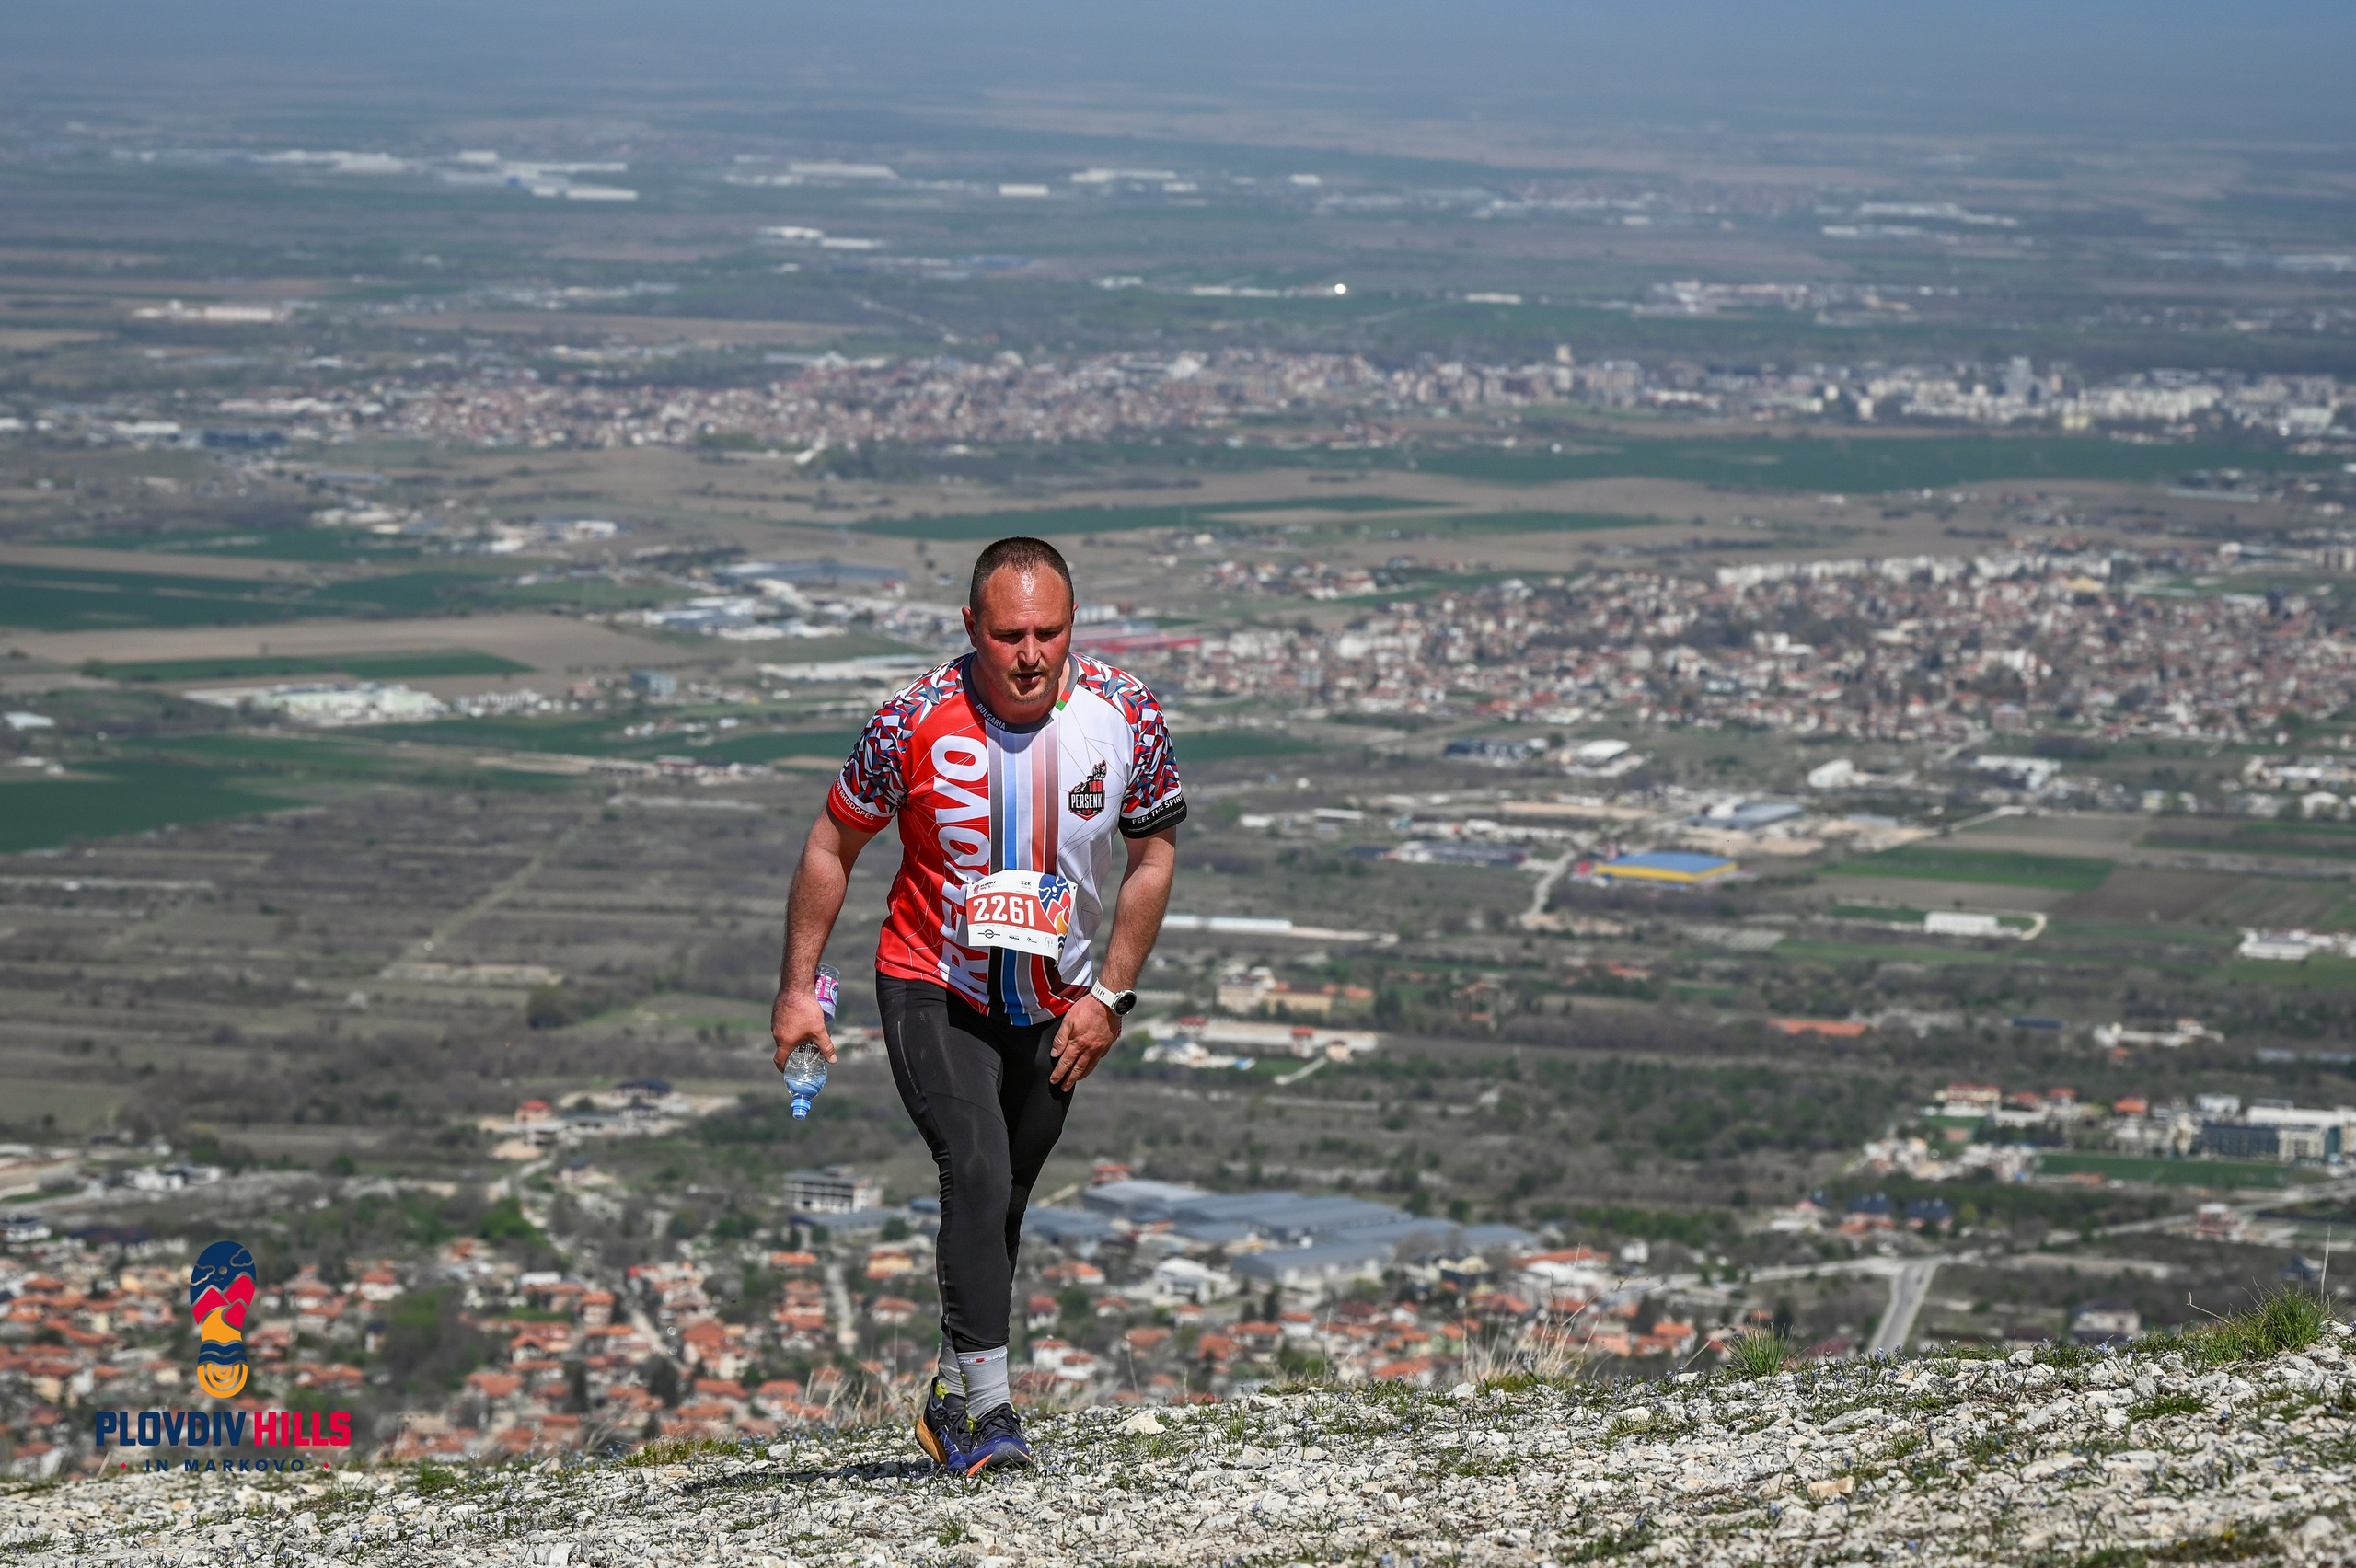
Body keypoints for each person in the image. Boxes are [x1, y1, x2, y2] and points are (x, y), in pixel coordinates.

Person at [769, 536, 1183, 1475]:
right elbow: (832, 844)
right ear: (970, 627)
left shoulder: (1127, 713)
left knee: (1005, 1199)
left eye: (1050, 632)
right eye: (1008, 636)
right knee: (977, 1163)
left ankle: (950, 1393)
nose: (1031, 654)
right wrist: (800, 988)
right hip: (933, 982)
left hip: (1059, 1001)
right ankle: (989, 1416)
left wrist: (1111, 996)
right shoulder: (911, 720)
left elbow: (1153, 854)